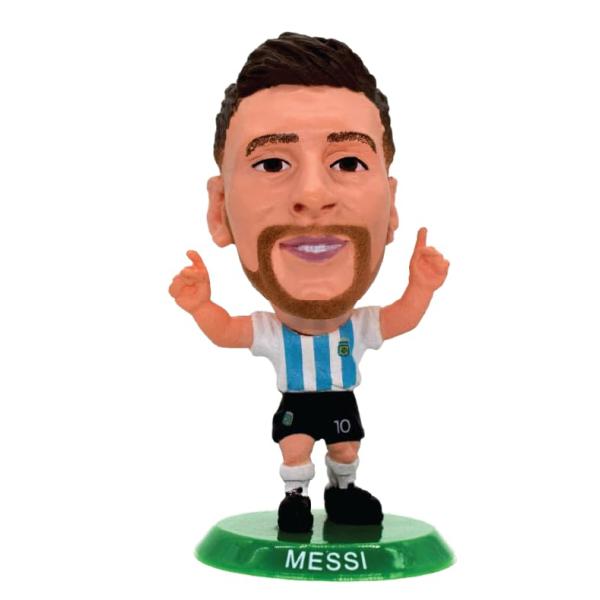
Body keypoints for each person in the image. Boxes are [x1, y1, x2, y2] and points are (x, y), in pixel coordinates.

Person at [168, 32, 449, 533]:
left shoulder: (359, 328)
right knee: (295, 447)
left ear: (391, 208)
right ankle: (295, 499)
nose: (314, 195)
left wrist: (421, 288)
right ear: (220, 211)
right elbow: (227, 331)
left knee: (347, 446)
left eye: (348, 162)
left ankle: (343, 491)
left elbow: (401, 318)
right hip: (297, 404)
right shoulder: (272, 334)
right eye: (272, 163)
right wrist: (200, 306)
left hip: (340, 401)